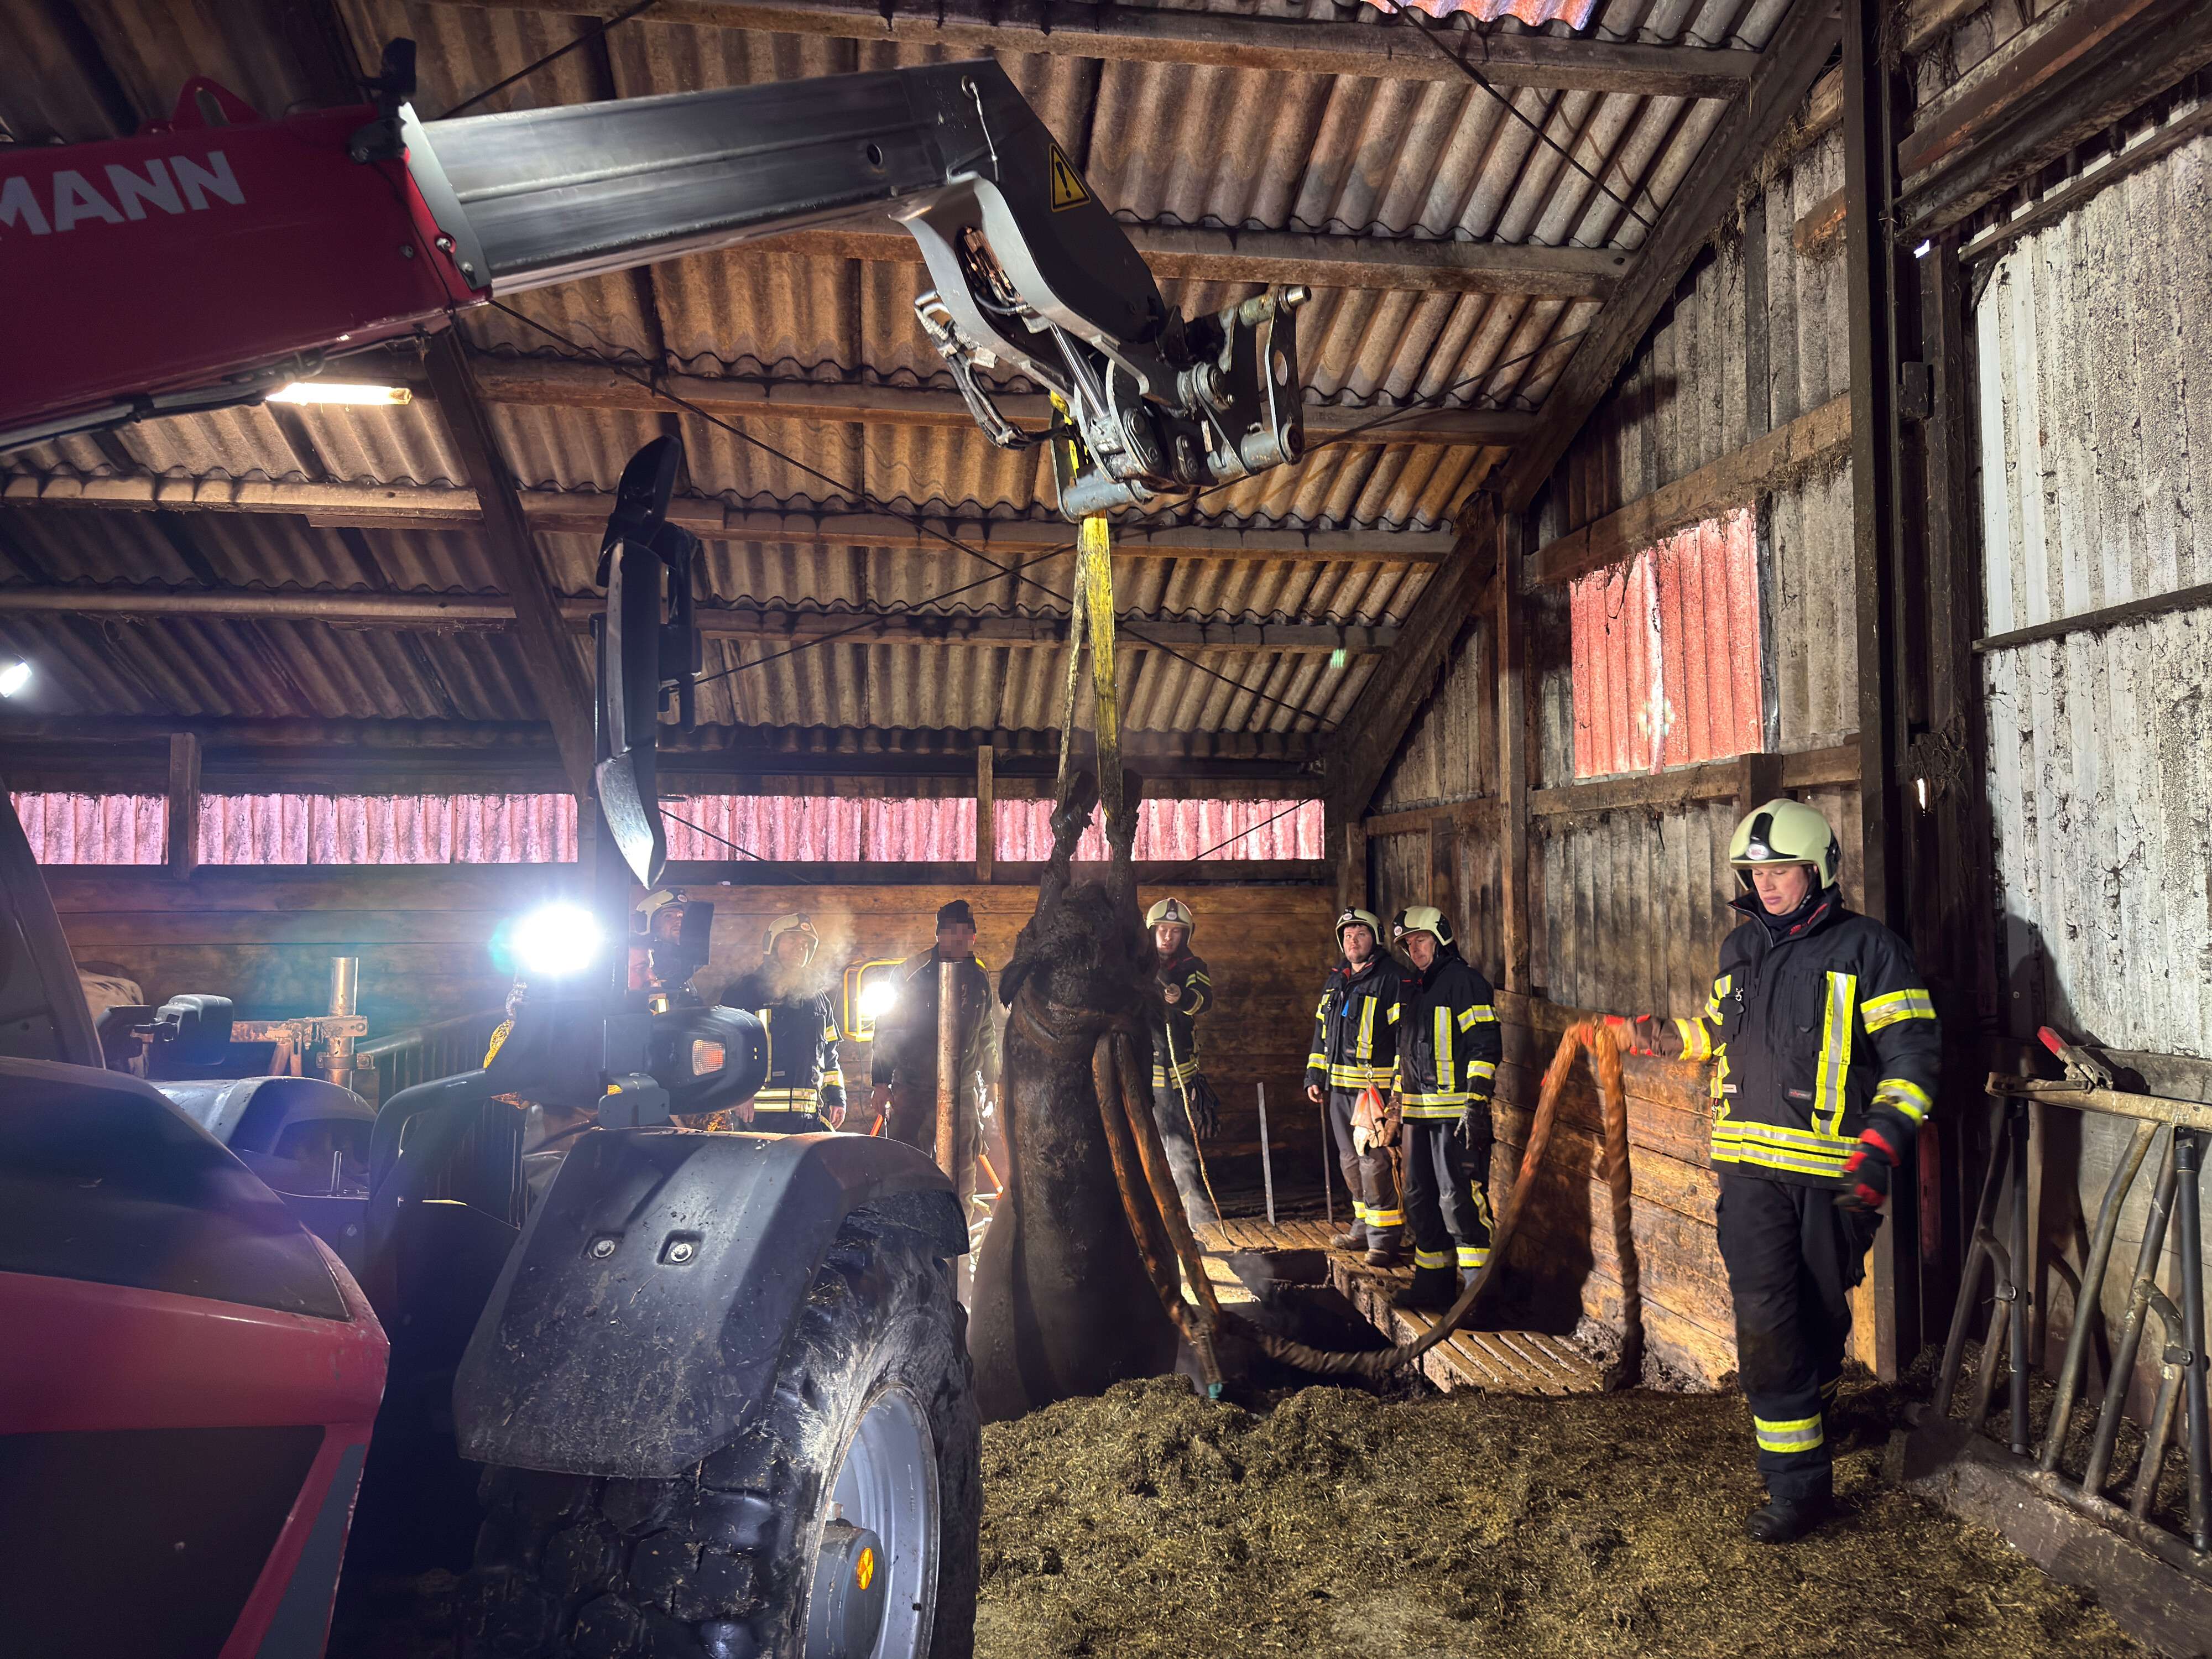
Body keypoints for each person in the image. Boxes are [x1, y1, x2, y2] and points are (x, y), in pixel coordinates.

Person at [1609, 798, 1939, 1545]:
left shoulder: (1871, 950)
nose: (1768, 885)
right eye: (1756, 873)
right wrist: (1672, 1037)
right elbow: (1722, 1030)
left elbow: (1913, 1056)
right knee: (1766, 1321)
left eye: (1782, 870)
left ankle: (1815, 1418)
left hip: (1836, 1176)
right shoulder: (1740, 949)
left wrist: (1884, 1139)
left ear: (1819, 869)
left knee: (1822, 1315)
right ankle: (1798, 1488)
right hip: (1749, 1174)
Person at [1390, 905, 1501, 1312]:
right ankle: (1433, 1288)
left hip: (1455, 1115)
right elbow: (1406, 1051)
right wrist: (1396, 1103)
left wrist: (1476, 1102)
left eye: (1420, 940)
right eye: (1407, 944)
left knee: (1459, 1201)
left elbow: (1486, 1043)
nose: (1414, 949)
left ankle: (1477, 1298)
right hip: (1418, 1115)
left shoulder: (1465, 983)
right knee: (1420, 1199)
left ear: (1440, 939)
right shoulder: (1414, 987)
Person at [869, 899, 1000, 1204]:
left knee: (962, 1180)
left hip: (963, 1091)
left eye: (965, 934)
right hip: (914, 1090)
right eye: (951, 932)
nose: (958, 939)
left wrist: (993, 1080)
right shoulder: (911, 974)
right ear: (939, 935)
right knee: (906, 1172)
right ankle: (907, 1244)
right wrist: (880, 1082)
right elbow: (887, 1029)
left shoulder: (979, 978)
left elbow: (986, 1032)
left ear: (973, 937)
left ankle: (958, 1248)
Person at [1305, 907, 1407, 1266]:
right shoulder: (1337, 981)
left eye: (1360, 934)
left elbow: (1404, 1039)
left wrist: (1397, 1090)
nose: (1352, 941)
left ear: (1375, 939)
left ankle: (1384, 1240)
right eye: (1347, 936)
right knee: (1349, 1162)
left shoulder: (1393, 979)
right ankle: (1363, 1227)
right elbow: (1322, 1033)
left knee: (1374, 1164)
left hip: (1372, 1091)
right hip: (1338, 1090)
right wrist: (1314, 1076)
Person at [719, 913, 847, 1133]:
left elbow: (830, 1052)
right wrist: (738, 1094)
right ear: (773, 943)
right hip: (756, 1117)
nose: (800, 948)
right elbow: (723, 1049)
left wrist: (836, 1097)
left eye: (806, 944)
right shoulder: (744, 991)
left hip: (807, 1117)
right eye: (792, 940)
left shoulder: (818, 1000)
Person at [1145, 896, 1219, 1232]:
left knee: (1180, 1152)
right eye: (1162, 930)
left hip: (1177, 1082)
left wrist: (1182, 998)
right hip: (1141, 1077)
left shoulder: (1193, 967)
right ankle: (1149, 1224)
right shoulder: (1136, 966)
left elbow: (1203, 1001)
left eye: (1175, 931)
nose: (1168, 937)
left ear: (1185, 935)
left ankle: (1187, 1227)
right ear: (1152, 932)